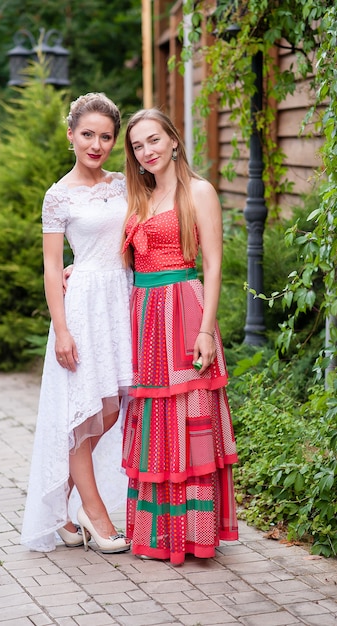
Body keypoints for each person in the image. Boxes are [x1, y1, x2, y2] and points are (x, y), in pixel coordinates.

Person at [121, 108, 238, 565]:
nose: (146, 151)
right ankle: (158, 535)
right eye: (137, 146)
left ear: (173, 139)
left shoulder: (200, 191)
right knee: (154, 422)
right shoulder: (138, 196)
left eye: (153, 140)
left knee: (190, 421)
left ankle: (193, 535)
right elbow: (123, 262)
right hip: (145, 316)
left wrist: (206, 330)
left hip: (185, 311)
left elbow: (213, 264)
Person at [21, 93, 132, 554]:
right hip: (83, 306)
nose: (97, 144)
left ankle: (65, 505)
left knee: (111, 408)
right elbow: (51, 266)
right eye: (88, 134)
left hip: (122, 300)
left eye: (106, 136)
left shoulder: (126, 184)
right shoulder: (58, 195)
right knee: (84, 412)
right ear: (71, 135)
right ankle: (95, 513)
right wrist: (61, 329)